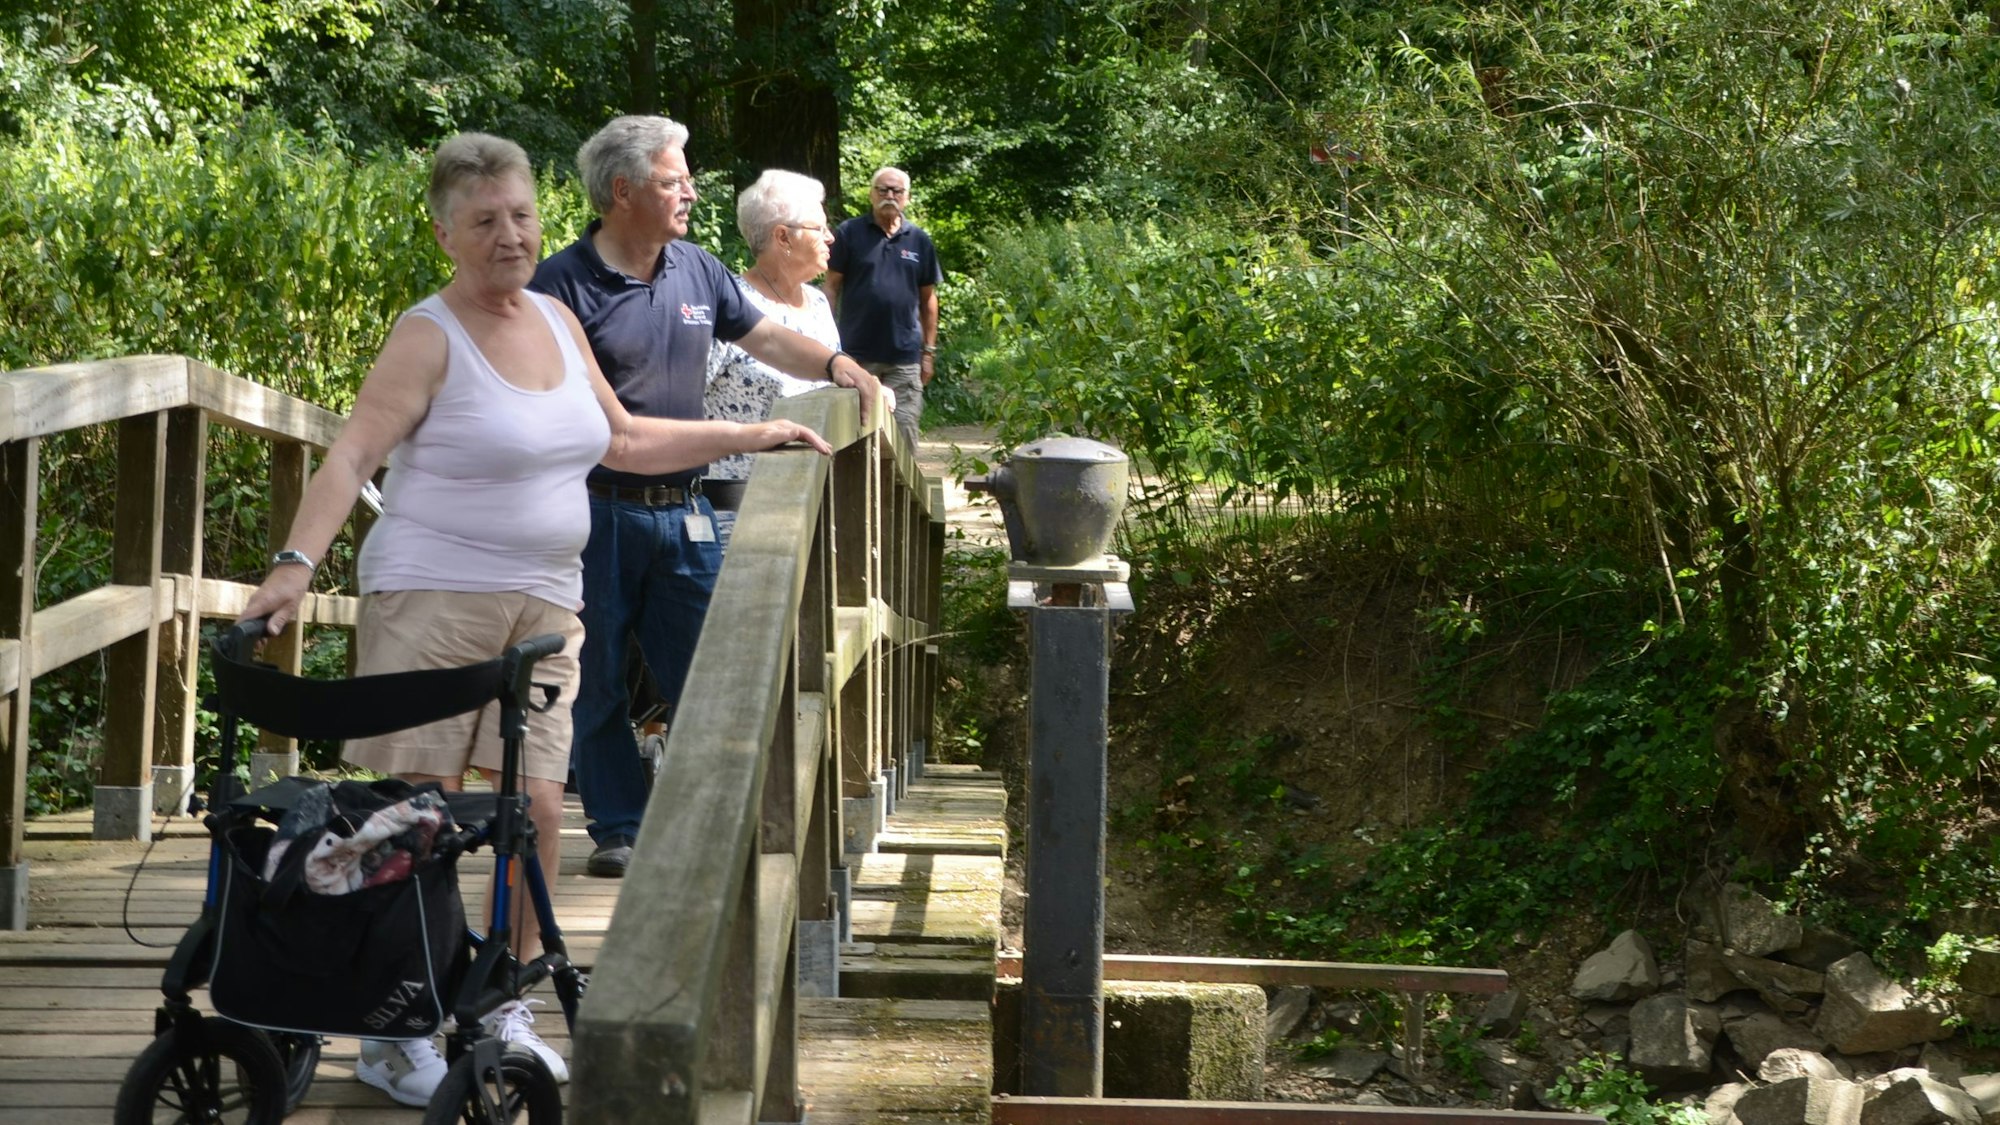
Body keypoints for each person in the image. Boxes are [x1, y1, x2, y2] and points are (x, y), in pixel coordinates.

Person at [238, 132, 832, 1108]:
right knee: (419, 816)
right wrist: (295, 566)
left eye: (520, 214)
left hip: (544, 609)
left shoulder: (558, 317)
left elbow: (629, 438)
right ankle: (395, 1028)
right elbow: (350, 456)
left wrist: (755, 432)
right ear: (446, 236)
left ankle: (501, 1007)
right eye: (484, 222)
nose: (509, 235)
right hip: (432, 599)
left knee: (537, 812)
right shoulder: (426, 333)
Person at [529, 116, 882, 879]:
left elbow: (766, 337)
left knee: (712, 671)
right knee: (595, 684)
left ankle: (703, 820)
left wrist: (837, 363)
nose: (689, 190)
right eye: (671, 179)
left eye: (686, 177)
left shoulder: (696, 268)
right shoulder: (560, 284)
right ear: (622, 192)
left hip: (685, 510)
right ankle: (621, 826)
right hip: (593, 509)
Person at [705, 169, 842, 550]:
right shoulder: (730, 304)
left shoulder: (817, 304)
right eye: (820, 228)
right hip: (739, 519)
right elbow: (680, 404)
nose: (831, 237)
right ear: (783, 236)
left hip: (814, 505)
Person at [824, 165, 942, 451]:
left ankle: (897, 497)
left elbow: (928, 299)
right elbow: (831, 288)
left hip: (904, 357)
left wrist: (928, 352)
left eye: (896, 191)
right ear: (871, 195)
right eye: (883, 190)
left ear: (907, 197)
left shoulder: (920, 240)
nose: (889, 195)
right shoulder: (849, 233)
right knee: (855, 435)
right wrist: (829, 342)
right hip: (856, 356)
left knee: (904, 435)